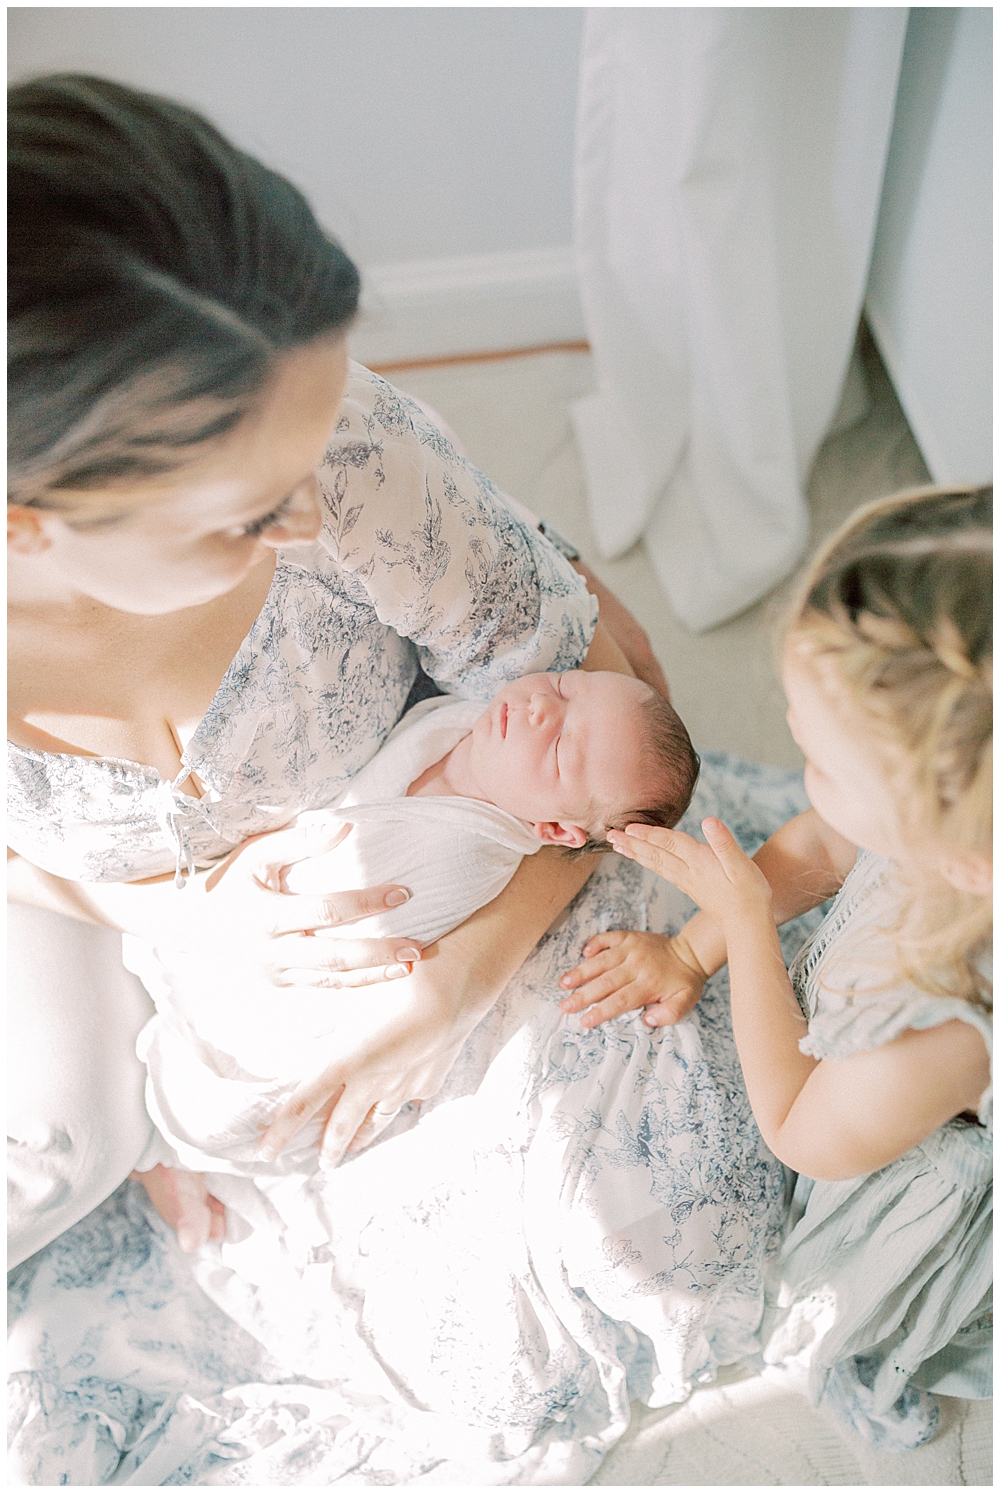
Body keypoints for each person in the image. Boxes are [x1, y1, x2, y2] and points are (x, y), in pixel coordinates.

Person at [7, 73, 815, 1485]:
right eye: (247, 517)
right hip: (113, 917)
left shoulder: (343, 451)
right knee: (58, 1156)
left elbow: (604, 698)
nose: (310, 506)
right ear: (29, 528)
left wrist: (451, 984)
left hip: (475, 858)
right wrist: (175, 924)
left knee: (672, 1215)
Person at [606, 486, 992, 1449]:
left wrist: (741, 917)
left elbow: (802, 1129)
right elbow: (828, 839)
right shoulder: (955, 831)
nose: (794, 753)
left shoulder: (947, 1020)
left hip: (898, 1139)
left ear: (952, 847)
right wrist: (690, 949)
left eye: (819, 757)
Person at [128, 669, 698, 1184]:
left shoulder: (461, 861)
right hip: (206, 915)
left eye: (557, 751)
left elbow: (358, 948)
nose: (540, 710)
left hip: (265, 1004)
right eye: (565, 687)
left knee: (215, 1110)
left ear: (555, 831)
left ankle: (164, 1151)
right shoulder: (461, 724)